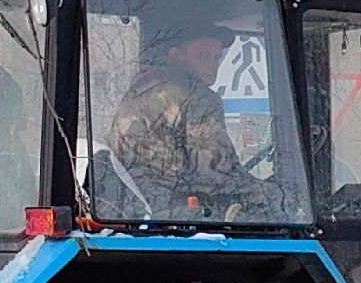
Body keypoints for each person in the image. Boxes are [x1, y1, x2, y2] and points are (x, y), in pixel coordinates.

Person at [109, 11, 271, 219]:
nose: (213, 65)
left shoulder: (138, 89)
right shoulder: (196, 95)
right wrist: (273, 194)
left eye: (216, 57)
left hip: (133, 208)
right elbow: (215, 171)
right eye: (202, 56)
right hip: (175, 211)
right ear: (175, 56)